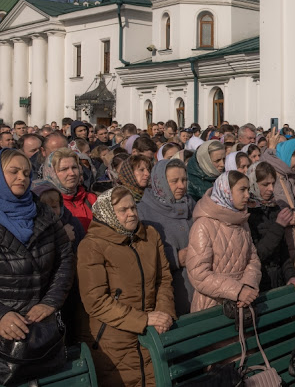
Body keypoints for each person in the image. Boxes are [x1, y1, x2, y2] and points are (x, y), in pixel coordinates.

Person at [77, 187, 175, 387]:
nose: (131, 213)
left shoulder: (150, 236)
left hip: (153, 333)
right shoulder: (92, 245)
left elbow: (163, 279)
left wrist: (163, 314)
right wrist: (143, 319)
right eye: (123, 210)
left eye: (133, 207)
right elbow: (95, 301)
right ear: (108, 213)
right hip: (113, 341)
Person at [0, 149, 74, 377]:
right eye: (13, 172)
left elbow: (64, 259)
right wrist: (1, 314)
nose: (22, 177)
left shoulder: (43, 214)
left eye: (26, 172)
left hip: (40, 331)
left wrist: (50, 303)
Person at [186, 171, 261, 312]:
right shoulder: (203, 225)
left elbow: (253, 259)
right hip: (212, 306)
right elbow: (198, 273)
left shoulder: (241, 221)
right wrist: (237, 290)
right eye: (242, 190)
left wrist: (249, 285)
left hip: (243, 303)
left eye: (248, 190)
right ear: (226, 191)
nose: (247, 195)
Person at [137, 160, 196, 317]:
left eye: (184, 180)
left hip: (200, 288)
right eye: (174, 181)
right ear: (160, 182)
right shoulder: (143, 211)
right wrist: (175, 258)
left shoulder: (192, 205)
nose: (181, 186)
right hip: (171, 293)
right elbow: (142, 254)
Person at [247, 162, 295, 292]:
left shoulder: (273, 207)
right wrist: (279, 225)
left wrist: (292, 275)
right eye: (265, 184)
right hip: (260, 283)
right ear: (253, 183)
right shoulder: (247, 213)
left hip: (278, 279)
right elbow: (257, 254)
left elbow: (282, 250)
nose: (271, 189)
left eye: (273, 183)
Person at [40, 148, 98, 231]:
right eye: (64, 169)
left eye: (74, 167)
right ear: (51, 173)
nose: (72, 173)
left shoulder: (92, 199)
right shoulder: (47, 204)